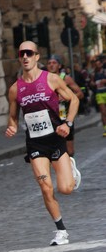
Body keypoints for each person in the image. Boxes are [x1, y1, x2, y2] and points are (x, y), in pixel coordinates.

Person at [5, 41, 80, 246]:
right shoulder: (15, 89)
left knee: (65, 189)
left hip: (55, 139)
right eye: (22, 54)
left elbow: (73, 100)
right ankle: (61, 230)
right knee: (46, 187)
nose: (26, 57)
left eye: (29, 53)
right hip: (35, 145)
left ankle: (70, 168)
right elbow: (12, 117)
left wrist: (68, 123)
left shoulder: (52, 79)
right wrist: (11, 126)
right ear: (19, 58)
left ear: (37, 56)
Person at [46, 54, 82, 188]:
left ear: (59, 65)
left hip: (66, 118)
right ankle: (63, 172)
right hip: (52, 119)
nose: (51, 65)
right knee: (53, 148)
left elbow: (79, 93)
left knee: (69, 149)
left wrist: (66, 97)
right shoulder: (44, 79)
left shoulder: (65, 78)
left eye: (54, 62)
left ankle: (70, 166)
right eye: (49, 63)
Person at [91, 57, 106, 136]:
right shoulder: (94, 73)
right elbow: (91, 83)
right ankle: (105, 129)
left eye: (99, 64)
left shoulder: (104, 71)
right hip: (99, 93)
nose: (98, 66)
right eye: (96, 65)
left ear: (101, 64)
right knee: (103, 112)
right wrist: (94, 83)